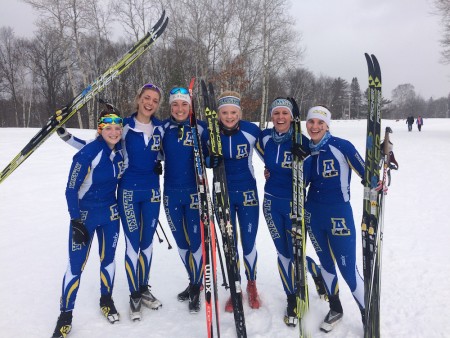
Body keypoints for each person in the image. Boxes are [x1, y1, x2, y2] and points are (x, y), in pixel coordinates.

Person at [57, 84, 165, 321]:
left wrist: (159, 160)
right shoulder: (123, 125)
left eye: (155, 100)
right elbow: (93, 147)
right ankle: (130, 294)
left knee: (141, 246)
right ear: (138, 99)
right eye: (146, 97)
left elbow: (164, 151)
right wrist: (65, 136)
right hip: (120, 196)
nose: (150, 102)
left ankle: (136, 290)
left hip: (143, 196)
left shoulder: (160, 127)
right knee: (128, 245)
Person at [51, 110, 124, 338]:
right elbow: (70, 189)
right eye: (108, 127)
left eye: (117, 128)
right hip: (85, 215)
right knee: (75, 266)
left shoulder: (120, 151)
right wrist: (75, 220)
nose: (114, 132)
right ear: (100, 130)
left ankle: (106, 300)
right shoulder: (87, 154)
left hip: (110, 213)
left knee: (108, 260)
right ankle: (65, 315)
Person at [303, 105, 365, 332]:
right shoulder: (306, 151)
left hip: (339, 214)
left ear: (327, 125)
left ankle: (368, 315)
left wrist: (378, 179)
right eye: (311, 122)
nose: (315, 126)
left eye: (320, 123)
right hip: (313, 215)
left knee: (348, 270)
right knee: (327, 265)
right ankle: (336, 308)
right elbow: (300, 183)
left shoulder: (341, 146)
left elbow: (367, 173)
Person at [255, 97, 310, 327]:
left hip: (295, 205)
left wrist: (304, 158)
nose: (280, 118)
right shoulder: (265, 137)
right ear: (271, 116)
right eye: (276, 113)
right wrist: (268, 170)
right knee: (284, 253)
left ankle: (307, 282)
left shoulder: (303, 141)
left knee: (298, 253)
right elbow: (262, 155)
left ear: (292, 117)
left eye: (284, 114)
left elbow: (311, 176)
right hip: (271, 204)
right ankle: (291, 298)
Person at [159, 87, 210, 313]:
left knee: (196, 242)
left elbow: (211, 155)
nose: (179, 109)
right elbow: (151, 150)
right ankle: (192, 280)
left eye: (184, 104)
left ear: (190, 106)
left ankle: (197, 285)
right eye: (175, 105)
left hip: (193, 194)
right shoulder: (162, 129)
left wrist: (212, 159)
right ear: (170, 107)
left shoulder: (201, 128)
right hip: (170, 194)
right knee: (181, 242)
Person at [215, 91, 262, 312]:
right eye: (225, 112)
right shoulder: (212, 133)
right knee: (229, 244)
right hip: (223, 194)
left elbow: (270, 153)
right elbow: (202, 157)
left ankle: (251, 283)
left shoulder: (251, 131)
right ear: (218, 114)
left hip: (247, 194)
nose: (229, 116)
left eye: (233, 112)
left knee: (248, 242)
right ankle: (235, 287)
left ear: (240, 113)